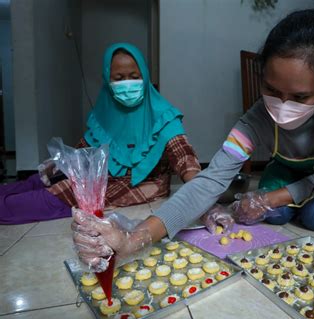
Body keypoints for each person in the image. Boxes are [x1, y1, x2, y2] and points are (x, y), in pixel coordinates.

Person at [72, 10, 314, 271]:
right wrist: (135, 238)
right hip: (285, 172)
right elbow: (210, 180)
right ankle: (285, 200)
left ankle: (288, 200)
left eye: (300, 97)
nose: (282, 104)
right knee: (275, 216)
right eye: (271, 89)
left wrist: (268, 198)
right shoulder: (256, 117)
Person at [0, 43, 200, 225]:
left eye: (134, 76)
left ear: (145, 77)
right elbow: (84, 151)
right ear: (108, 80)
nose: (128, 84)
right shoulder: (105, 114)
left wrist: (203, 196)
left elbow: (184, 157)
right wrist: (56, 163)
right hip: (101, 177)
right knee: (38, 180)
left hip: (135, 187)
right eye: (119, 78)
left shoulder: (163, 115)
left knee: (37, 200)